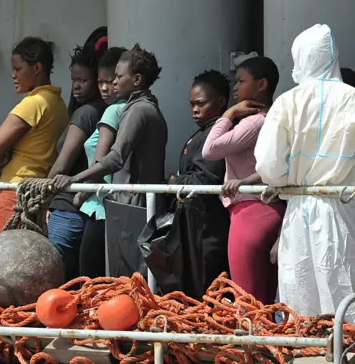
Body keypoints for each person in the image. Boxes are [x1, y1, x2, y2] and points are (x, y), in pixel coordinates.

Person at [255, 24, 355, 320]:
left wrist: (287, 182)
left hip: (299, 208)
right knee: (343, 283)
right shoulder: (352, 98)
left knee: (300, 290)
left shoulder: (288, 102)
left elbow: (268, 165)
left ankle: (304, 348)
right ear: (333, 56)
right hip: (345, 205)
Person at [54, 44, 168, 275]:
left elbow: (115, 158)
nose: (113, 82)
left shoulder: (138, 111)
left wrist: (75, 179)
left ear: (136, 79)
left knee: (121, 280)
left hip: (132, 208)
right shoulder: (146, 108)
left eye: (118, 76)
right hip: (137, 206)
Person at [202, 56, 284, 304]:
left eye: (240, 81)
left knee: (247, 299)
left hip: (250, 213)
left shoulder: (253, 122)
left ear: (261, 85)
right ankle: (270, 343)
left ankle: (254, 344)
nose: (235, 88)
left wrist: (228, 113)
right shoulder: (275, 119)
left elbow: (210, 149)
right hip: (271, 210)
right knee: (266, 297)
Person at [0, 37, 68, 233]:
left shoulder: (34, 103)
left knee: (7, 258)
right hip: (40, 194)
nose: (13, 75)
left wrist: (3, 152)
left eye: (17, 69)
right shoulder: (58, 103)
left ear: (37, 68)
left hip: (16, 193)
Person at [46, 42, 107, 280]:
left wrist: (43, 197)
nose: (76, 86)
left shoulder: (86, 113)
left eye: (83, 80)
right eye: (73, 80)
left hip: (67, 209)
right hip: (88, 210)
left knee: (55, 279)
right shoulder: (108, 111)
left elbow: (62, 164)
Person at [168, 70, 230, 297]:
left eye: (201, 103)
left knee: (209, 291)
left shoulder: (216, 134)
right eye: (192, 104)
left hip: (209, 229)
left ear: (221, 102)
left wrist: (175, 181)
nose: (194, 109)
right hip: (197, 227)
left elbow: (205, 179)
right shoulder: (203, 132)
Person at [73, 46, 127, 278]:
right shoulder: (132, 110)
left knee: (90, 278)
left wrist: (78, 191)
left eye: (110, 81)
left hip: (101, 206)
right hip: (106, 206)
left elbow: (100, 161)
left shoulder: (114, 111)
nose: (104, 88)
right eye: (100, 82)